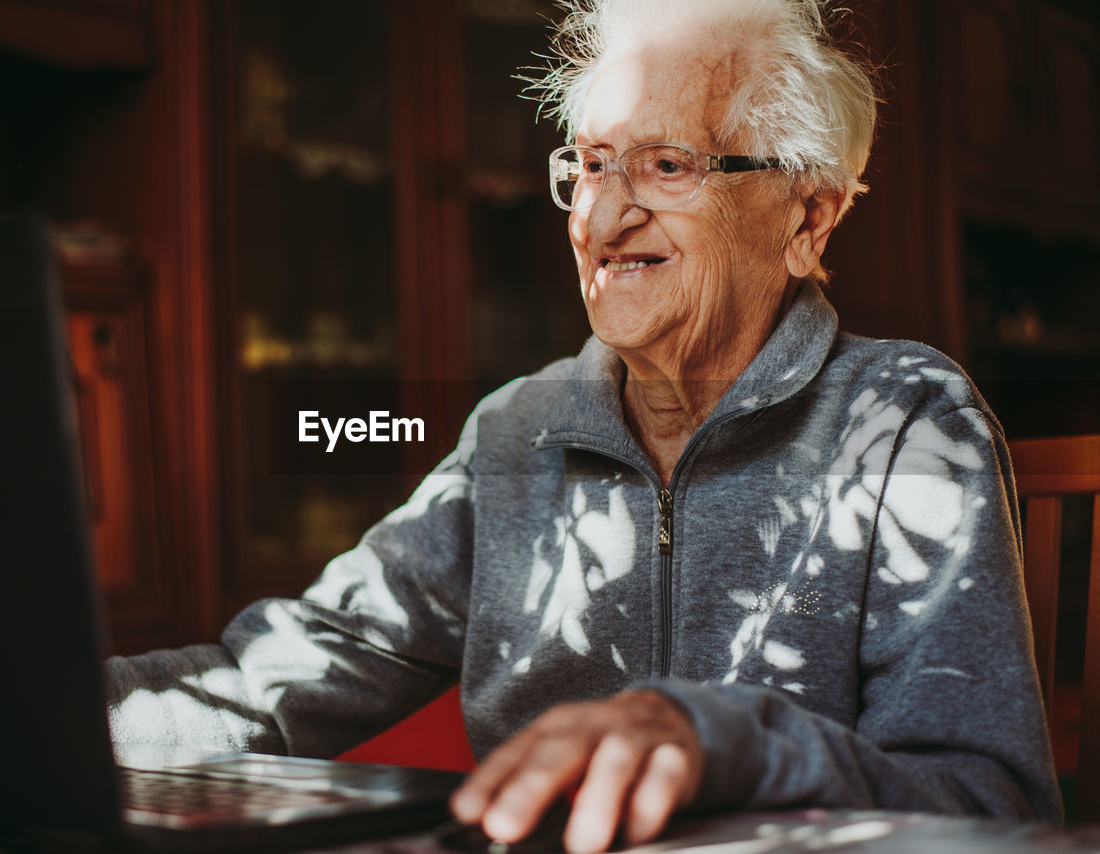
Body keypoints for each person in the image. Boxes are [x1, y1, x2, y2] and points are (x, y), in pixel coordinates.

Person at [104, 1, 1063, 851]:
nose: (602, 216)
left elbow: (985, 803)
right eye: (591, 165)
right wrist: (21, 713)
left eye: (667, 165)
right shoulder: (518, 430)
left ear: (807, 217)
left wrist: (717, 742)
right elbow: (275, 678)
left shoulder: (905, 422)